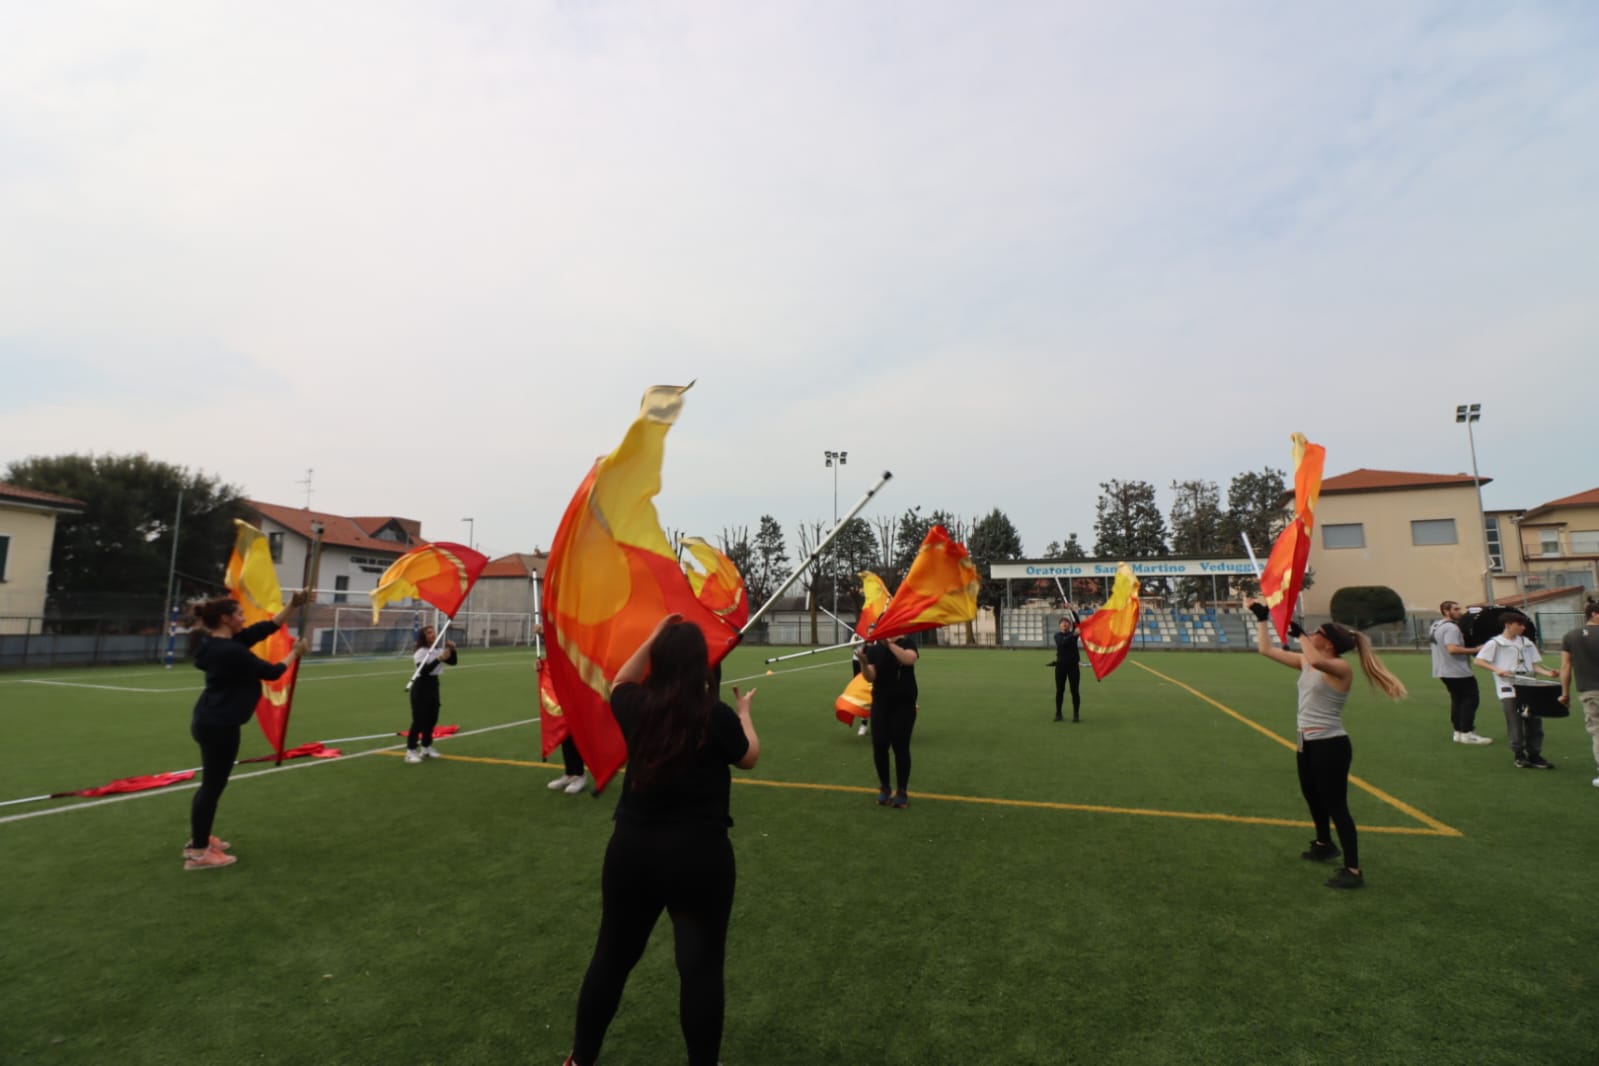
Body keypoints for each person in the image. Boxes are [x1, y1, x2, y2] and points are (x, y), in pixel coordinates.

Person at [567, 615, 758, 1066]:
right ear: (701, 665)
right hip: (699, 859)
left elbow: (621, 681)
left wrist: (653, 636)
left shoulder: (638, 705)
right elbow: (749, 756)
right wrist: (746, 716)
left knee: (612, 958)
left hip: (633, 853)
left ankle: (581, 1058)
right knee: (700, 970)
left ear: (659, 660)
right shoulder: (716, 716)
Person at [1248, 601, 1407, 890]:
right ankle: (1324, 844)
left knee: (1337, 806)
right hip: (1306, 743)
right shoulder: (1308, 661)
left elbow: (1319, 662)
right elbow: (1266, 650)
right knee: (1312, 796)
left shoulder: (1339, 667)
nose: (1311, 633)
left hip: (1330, 745)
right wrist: (1262, 620)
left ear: (1329, 643)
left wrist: (1301, 637)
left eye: (1317, 632)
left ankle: (1353, 870)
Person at [184, 593, 307, 871]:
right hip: (219, 724)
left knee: (212, 785)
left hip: (211, 719)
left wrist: (293, 605)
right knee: (212, 786)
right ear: (226, 619)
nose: (244, 618)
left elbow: (264, 629)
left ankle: (200, 839)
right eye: (239, 614)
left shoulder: (220, 643)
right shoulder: (230, 651)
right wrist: (294, 653)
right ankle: (199, 852)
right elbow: (272, 672)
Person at [1474, 611, 1560, 769]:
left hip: (1530, 686)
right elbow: (1479, 661)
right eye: (1519, 624)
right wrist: (1497, 669)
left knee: (1534, 722)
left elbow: (1534, 666)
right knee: (1515, 722)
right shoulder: (1495, 643)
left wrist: (1548, 673)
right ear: (1508, 625)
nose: (1523, 627)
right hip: (1509, 687)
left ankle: (1535, 755)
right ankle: (1519, 755)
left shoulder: (1527, 642)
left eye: (1524, 624)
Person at [856, 631, 918, 808]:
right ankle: (884, 788)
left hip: (904, 704)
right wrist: (863, 663)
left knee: (901, 747)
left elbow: (909, 659)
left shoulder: (907, 643)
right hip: (881, 703)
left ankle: (902, 791)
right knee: (879, 745)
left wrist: (890, 644)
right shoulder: (874, 649)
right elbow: (870, 676)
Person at [1431, 600, 1490, 745]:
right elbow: (1452, 649)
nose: (1460, 612)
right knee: (1471, 700)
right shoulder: (1451, 628)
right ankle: (1467, 733)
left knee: (1457, 700)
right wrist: (1476, 649)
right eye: (1456, 609)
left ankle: (1458, 732)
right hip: (1457, 671)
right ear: (1446, 611)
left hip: (1443, 670)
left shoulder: (1435, 625)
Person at [1557, 598, 1599, 788]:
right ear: (1594, 614)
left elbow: (1565, 667)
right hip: (1591, 690)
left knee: (1597, 731)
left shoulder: (1570, 636)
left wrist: (1564, 693)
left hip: (1589, 691)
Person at [405, 625, 458, 763]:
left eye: (433, 632)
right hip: (421, 686)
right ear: (423, 636)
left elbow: (453, 662)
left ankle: (426, 747)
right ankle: (410, 750)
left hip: (433, 686)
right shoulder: (421, 652)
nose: (432, 634)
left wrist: (452, 650)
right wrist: (439, 659)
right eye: (429, 633)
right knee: (419, 721)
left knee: (431, 719)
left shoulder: (437, 650)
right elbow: (423, 670)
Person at [1051, 615, 1082, 723]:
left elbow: (1077, 622)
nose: (1064, 623)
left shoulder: (1073, 635)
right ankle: (1058, 713)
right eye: (1062, 622)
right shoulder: (1057, 636)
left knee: (1075, 691)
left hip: (1073, 667)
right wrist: (1074, 634)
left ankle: (1076, 714)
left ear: (1069, 625)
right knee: (1060, 691)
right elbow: (1062, 643)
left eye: (1066, 622)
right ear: (1059, 626)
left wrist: (1072, 609)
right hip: (1060, 667)